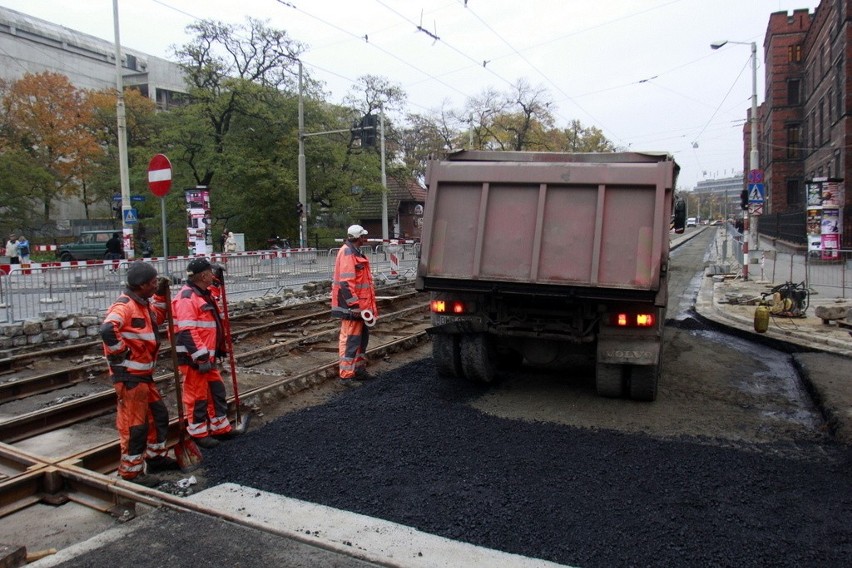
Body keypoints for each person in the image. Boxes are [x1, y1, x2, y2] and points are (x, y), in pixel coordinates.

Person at [100, 262, 178, 483]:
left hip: (143, 375)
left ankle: (155, 458)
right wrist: (120, 353)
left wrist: (162, 296)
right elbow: (107, 329)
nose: (155, 285)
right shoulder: (125, 306)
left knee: (158, 415)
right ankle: (131, 472)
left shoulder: (143, 305)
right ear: (141, 285)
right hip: (129, 377)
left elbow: (158, 318)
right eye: (153, 283)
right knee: (135, 426)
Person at [172, 257, 236, 448]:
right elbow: (187, 330)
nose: (212, 275)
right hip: (194, 359)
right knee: (197, 396)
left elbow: (213, 297)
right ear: (202, 275)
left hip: (207, 357)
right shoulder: (186, 299)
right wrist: (200, 357)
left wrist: (219, 282)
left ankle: (220, 427)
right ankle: (199, 433)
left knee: (216, 391)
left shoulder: (202, 293)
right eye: (210, 272)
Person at [331, 224, 378, 385]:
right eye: (364, 236)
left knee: (360, 340)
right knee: (350, 339)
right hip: (352, 308)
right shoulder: (347, 253)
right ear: (358, 237)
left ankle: (358, 369)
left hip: (361, 307)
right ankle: (346, 374)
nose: (366, 239)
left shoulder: (355, 252)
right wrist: (354, 306)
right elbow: (346, 283)